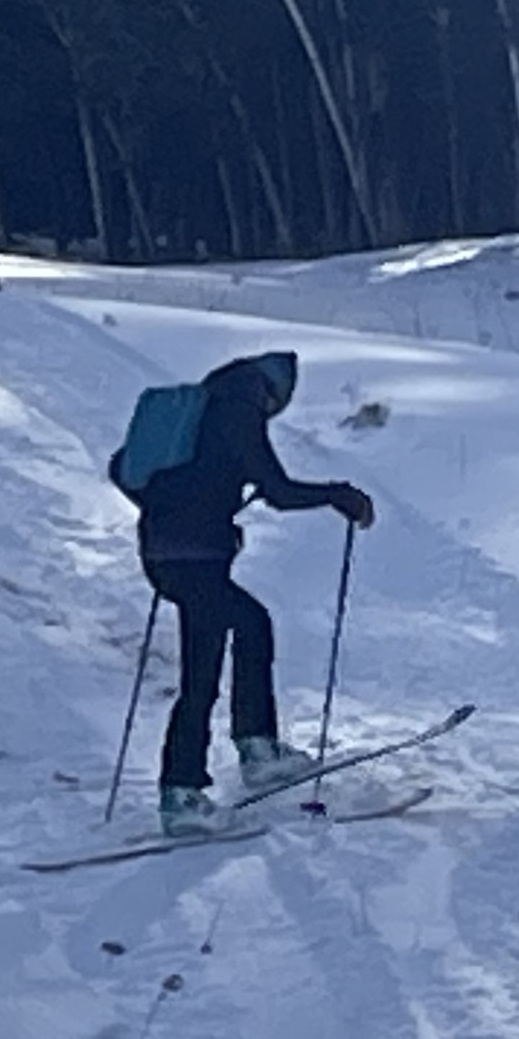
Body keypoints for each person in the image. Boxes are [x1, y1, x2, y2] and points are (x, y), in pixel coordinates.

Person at [130, 351, 373, 833]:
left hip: (165, 553)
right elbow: (278, 490)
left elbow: (130, 471)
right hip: (198, 557)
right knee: (205, 671)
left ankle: (253, 747)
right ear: (272, 390)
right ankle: (187, 789)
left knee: (247, 625)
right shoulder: (238, 410)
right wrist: (338, 495)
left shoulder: (194, 411)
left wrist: (185, 512)